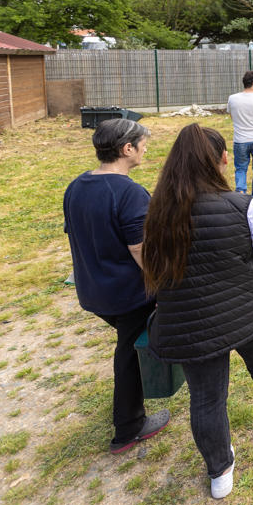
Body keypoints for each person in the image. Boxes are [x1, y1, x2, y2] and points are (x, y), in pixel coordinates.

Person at [141, 124, 253, 499]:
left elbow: (151, 265)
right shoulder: (246, 206)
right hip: (249, 312)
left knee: (206, 398)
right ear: (224, 160)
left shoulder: (156, 213)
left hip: (189, 323)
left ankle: (219, 472)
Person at [63, 119, 170, 454]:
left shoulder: (76, 186)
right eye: (142, 144)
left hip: (93, 290)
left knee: (128, 348)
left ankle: (130, 420)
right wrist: (161, 288)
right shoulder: (128, 193)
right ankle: (128, 428)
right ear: (127, 149)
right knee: (130, 355)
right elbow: (140, 249)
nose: (145, 148)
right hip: (126, 295)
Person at [227, 71, 253, 203]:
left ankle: (241, 195)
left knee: (240, 168)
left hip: (240, 140)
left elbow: (232, 116)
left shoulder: (232, 98)